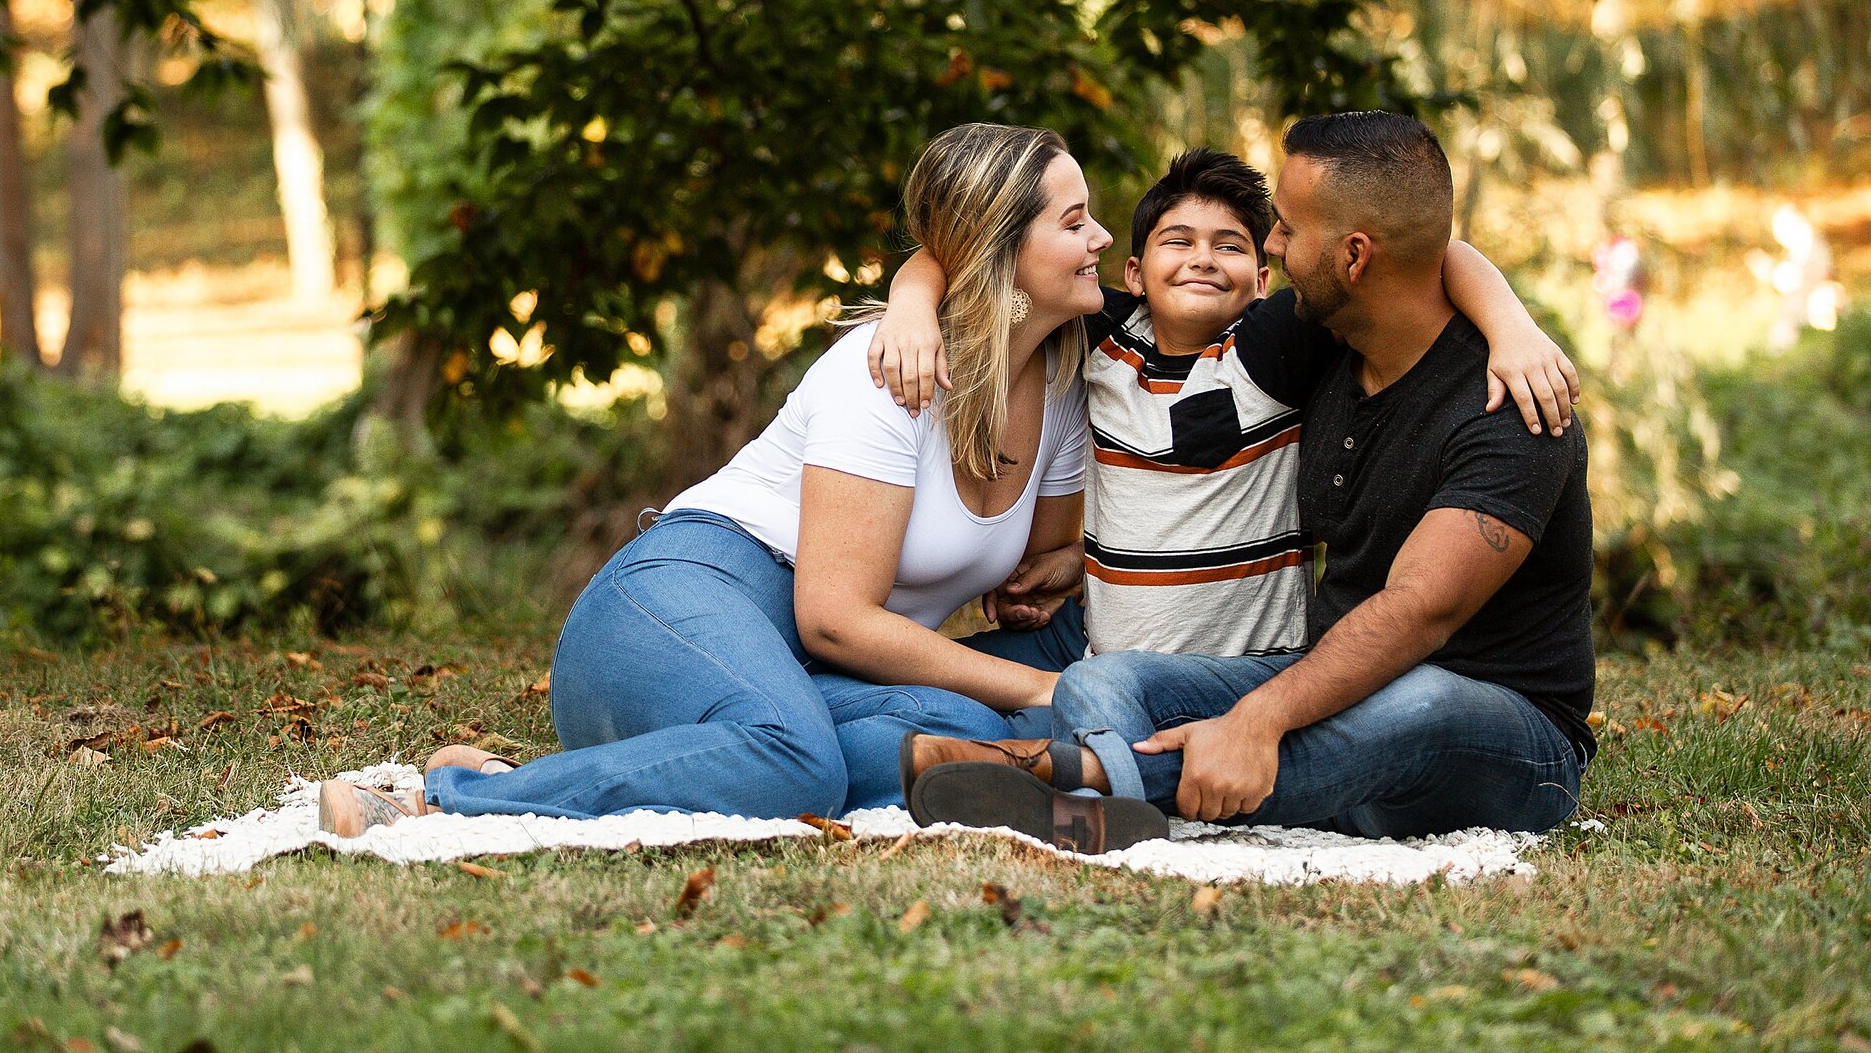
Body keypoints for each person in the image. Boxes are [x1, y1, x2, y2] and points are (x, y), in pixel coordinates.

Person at [316, 122, 1165, 854]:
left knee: (962, 737)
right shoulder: (888, 373)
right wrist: (1035, 689)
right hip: (680, 601)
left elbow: (1042, 566)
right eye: (1075, 220)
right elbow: (833, 614)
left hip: (813, 670)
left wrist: (1058, 579)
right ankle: (445, 802)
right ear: (999, 248)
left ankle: (622, 767)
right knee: (799, 757)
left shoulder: (1061, 381)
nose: (1099, 240)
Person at [907, 113, 1597, 839]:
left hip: (1505, 743)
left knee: (1421, 701)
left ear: (1355, 258)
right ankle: (1131, 807)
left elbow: (1417, 612)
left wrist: (1259, 718)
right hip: (1327, 694)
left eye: (1288, 230)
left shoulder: (1512, 406)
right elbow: (1435, 250)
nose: (1271, 243)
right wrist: (911, 300)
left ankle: (1079, 778)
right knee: (1101, 678)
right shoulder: (1334, 349)